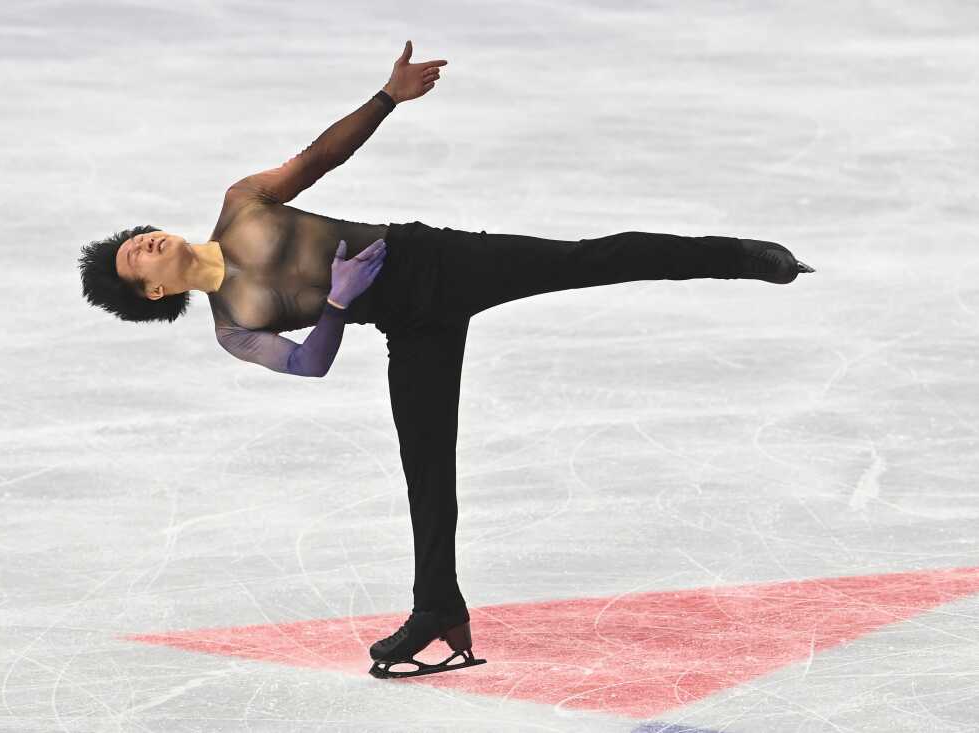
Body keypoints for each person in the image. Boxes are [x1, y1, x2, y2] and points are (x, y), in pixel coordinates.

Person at [77, 40, 814, 679]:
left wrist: (387, 98)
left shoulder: (242, 203)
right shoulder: (233, 326)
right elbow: (307, 365)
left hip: (441, 259)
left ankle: (741, 257)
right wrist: (336, 303)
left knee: (591, 259)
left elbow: (319, 156)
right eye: (134, 261)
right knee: (427, 473)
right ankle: (440, 609)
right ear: (155, 291)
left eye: (136, 238)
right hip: (408, 325)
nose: (141, 243)